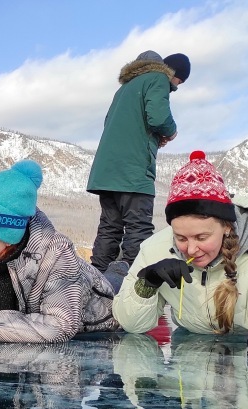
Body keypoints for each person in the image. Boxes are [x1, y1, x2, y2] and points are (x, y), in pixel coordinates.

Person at [113, 151, 248, 357]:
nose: (191, 249)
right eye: (181, 238)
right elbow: (131, 324)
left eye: (202, 237)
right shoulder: (154, 250)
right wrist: (147, 284)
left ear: (226, 227)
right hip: (188, 373)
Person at [0, 160, 119, 344]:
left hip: (99, 331)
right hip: (16, 347)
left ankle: (120, 269)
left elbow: (60, 326)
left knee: (118, 282)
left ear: (9, 238)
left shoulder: (57, 253)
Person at [87, 51, 191, 274]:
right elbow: (158, 117)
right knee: (138, 227)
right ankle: (134, 283)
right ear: (173, 73)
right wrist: (170, 132)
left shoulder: (124, 88)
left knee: (109, 228)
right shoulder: (158, 78)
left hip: (107, 172)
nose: (176, 87)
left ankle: (95, 282)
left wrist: (151, 136)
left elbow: (113, 123)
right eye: (178, 82)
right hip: (133, 171)